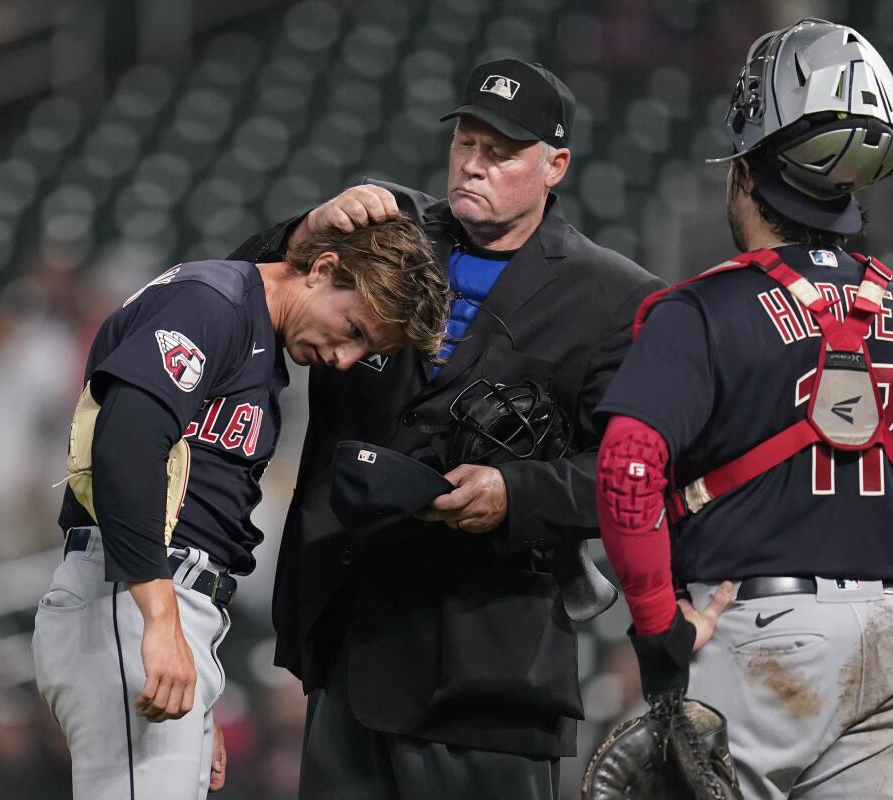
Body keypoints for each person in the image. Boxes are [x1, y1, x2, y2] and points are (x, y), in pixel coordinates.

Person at [592, 19, 893, 800]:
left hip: (755, 637)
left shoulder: (702, 310)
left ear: (744, 176)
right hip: (890, 637)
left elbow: (627, 462)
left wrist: (658, 625)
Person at [228, 58, 663, 799]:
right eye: (465, 142)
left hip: (489, 669)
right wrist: (302, 231)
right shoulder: (380, 227)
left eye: (501, 152)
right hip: (352, 637)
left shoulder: (613, 297)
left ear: (555, 164)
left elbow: (637, 473)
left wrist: (517, 491)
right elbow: (237, 298)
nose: (473, 164)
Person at [32, 217, 449, 800]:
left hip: (158, 600)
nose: (348, 357)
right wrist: (159, 621)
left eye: (367, 348)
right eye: (353, 327)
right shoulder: (213, 300)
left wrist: (198, 685)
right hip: (130, 594)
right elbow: (128, 440)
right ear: (323, 268)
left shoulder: (252, 332)